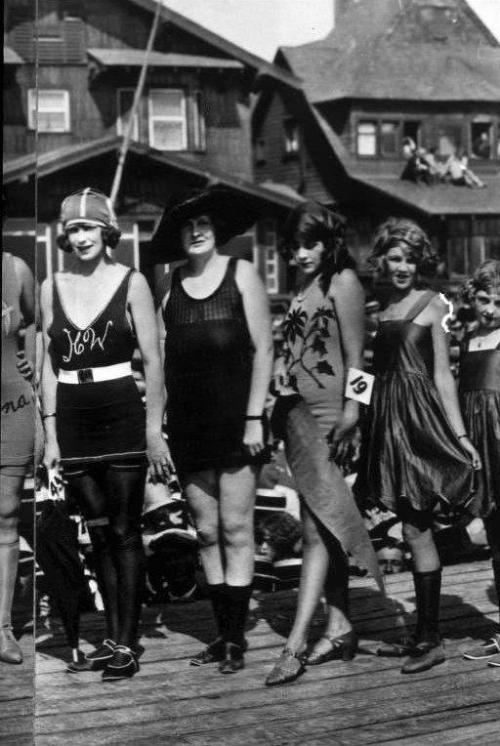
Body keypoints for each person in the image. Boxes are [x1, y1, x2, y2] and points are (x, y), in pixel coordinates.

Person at [40, 188, 169, 680]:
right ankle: (112, 637)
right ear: (65, 236)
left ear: (107, 231)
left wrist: (154, 430)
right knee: (95, 533)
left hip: (120, 412)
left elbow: (154, 361)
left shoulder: (131, 281)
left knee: (124, 529)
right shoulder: (53, 287)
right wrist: (52, 436)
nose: (81, 237)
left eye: (89, 227)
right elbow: (50, 366)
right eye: (73, 229)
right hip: (72, 417)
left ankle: (128, 643)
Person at [154, 186, 273, 674]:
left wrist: (253, 417)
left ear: (216, 229)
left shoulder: (242, 274)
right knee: (205, 531)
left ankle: (234, 640)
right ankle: (221, 635)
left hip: (236, 423)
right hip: (188, 426)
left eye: (203, 222)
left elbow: (265, 350)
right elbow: (158, 365)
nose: (197, 231)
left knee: (237, 527)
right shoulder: (167, 286)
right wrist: (155, 431)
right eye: (187, 225)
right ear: (179, 236)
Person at [355, 217, 481, 674]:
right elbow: (363, 373)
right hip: (385, 426)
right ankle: (424, 633)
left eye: (410, 259)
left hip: (421, 424)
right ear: (383, 260)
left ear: (420, 261)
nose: (403, 266)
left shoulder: (432, 304)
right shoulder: (376, 309)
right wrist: (355, 419)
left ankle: (430, 636)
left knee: (415, 527)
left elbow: (444, 377)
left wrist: (461, 436)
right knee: (409, 528)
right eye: (395, 257)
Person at [265, 201, 366, 685]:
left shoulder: (341, 282)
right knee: (325, 527)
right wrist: (286, 366)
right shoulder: (303, 287)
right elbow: (305, 346)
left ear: (329, 244)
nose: (301, 253)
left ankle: (297, 641)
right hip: (301, 417)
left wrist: (353, 412)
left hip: (332, 421)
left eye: (311, 244)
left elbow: (357, 356)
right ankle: (341, 625)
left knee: (313, 529)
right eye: (295, 246)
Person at [459, 260, 500, 666]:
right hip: (479, 448)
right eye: (485, 299)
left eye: (499, 302)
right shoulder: (470, 338)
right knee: (495, 536)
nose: (490, 309)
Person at [1, 242, 37, 664]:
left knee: (6, 513)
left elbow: (41, 324)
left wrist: (31, 357)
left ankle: (3, 628)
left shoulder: (16, 268)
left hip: (13, 408)